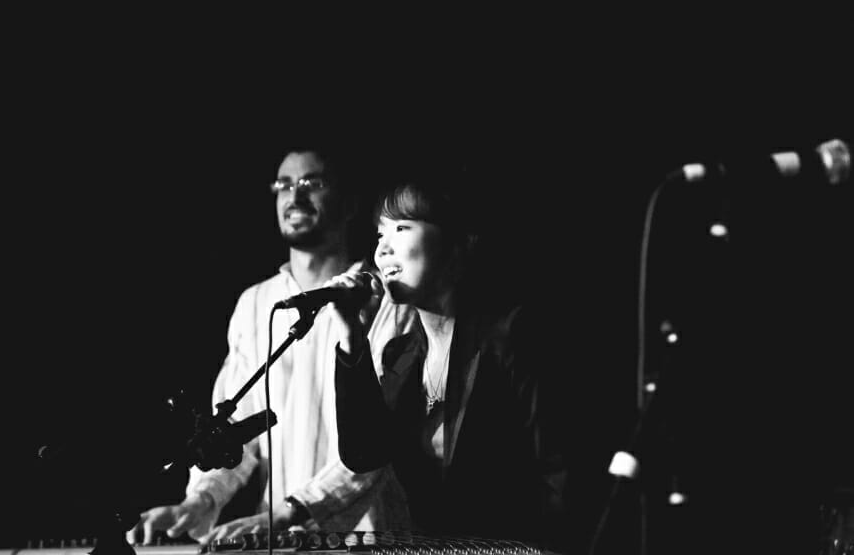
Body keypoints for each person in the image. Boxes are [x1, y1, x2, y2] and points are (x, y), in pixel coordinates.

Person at [126, 149, 413, 546]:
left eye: (312, 183)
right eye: (283, 185)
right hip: (276, 541)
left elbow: (376, 445)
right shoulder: (256, 303)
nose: (295, 196)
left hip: (365, 539)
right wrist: (199, 501)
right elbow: (235, 428)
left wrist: (291, 511)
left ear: (349, 205)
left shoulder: (387, 299)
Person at [325, 178, 569, 550]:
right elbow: (363, 453)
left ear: (456, 244)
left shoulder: (514, 336)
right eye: (379, 234)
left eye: (402, 228)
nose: (382, 249)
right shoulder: (401, 356)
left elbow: (561, 475)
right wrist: (352, 336)